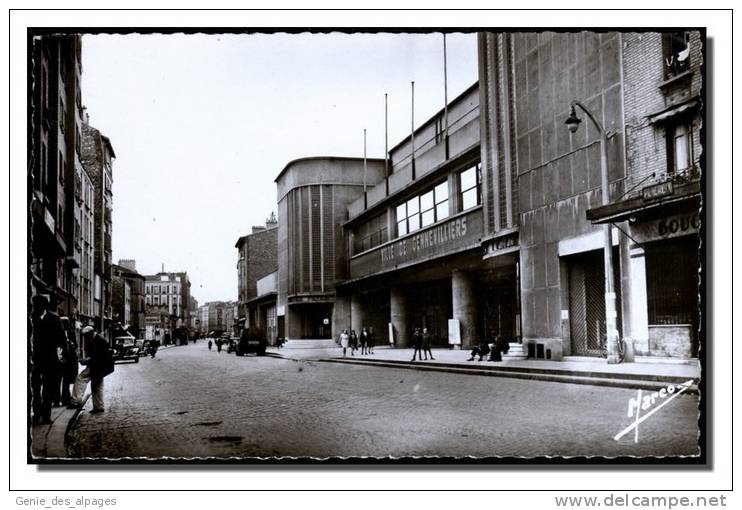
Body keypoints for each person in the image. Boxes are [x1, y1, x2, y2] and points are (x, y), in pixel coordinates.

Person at [30, 295, 66, 425]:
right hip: (33, 360)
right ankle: (36, 415)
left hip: (50, 359)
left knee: (47, 390)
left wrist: (63, 354)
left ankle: (45, 416)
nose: (35, 308)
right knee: (34, 389)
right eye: (34, 306)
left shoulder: (54, 318)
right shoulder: (30, 317)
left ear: (44, 306)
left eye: (38, 306)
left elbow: (61, 338)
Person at [70, 326, 114, 413]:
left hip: (98, 366)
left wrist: (86, 361)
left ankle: (76, 401)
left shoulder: (99, 341)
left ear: (90, 333)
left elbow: (99, 357)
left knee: (80, 378)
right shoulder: (96, 339)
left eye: (86, 336)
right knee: (96, 385)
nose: (85, 338)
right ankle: (99, 407)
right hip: (101, 366)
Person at [58, 317, 79, 407]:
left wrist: (72, 344)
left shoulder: (71, 332)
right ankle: (60, 398)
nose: (65, 325)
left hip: (71, 359)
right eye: (63, 323)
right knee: (61, 379)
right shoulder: (58, 332)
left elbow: (75, 344)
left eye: (66, 323)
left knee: (69, 379)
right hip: (62, 359)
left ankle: (67, 398)